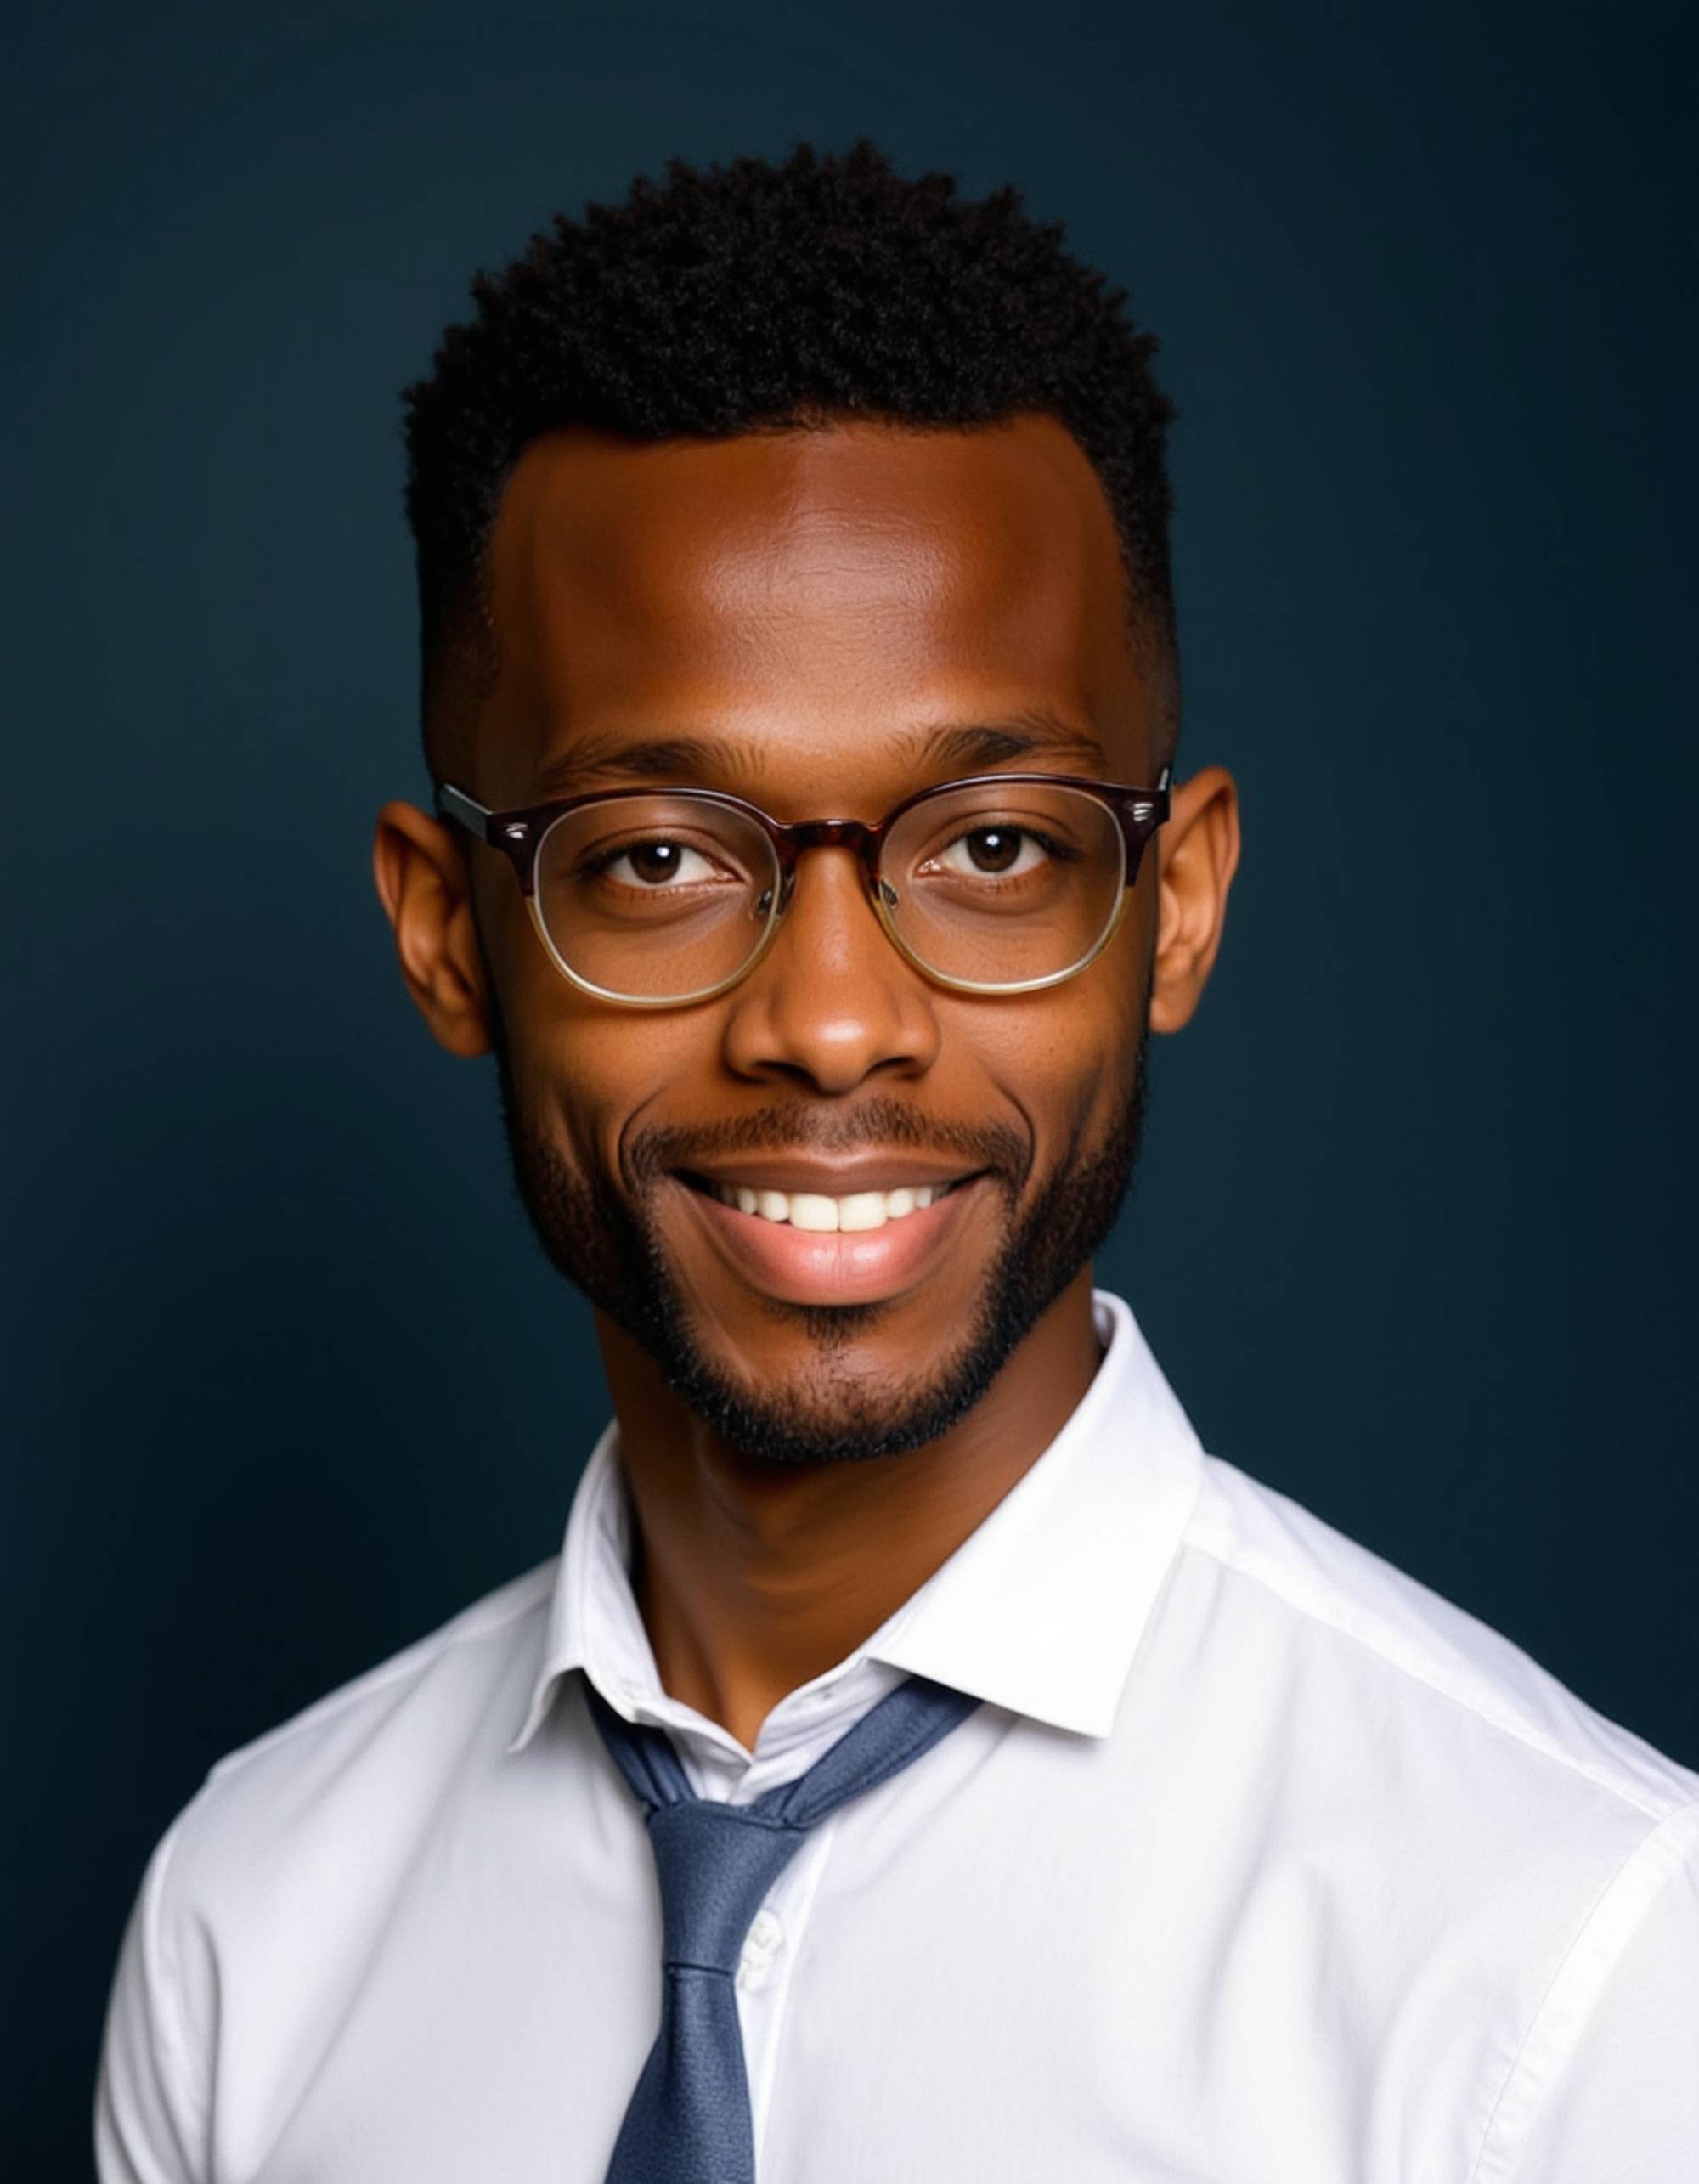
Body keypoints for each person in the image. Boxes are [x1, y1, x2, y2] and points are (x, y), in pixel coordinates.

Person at [96, 141, 1698, 2184]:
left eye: (997, 844)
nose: (834, 1017)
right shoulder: (252, 1920)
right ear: (443, 933)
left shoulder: (1569, 1969)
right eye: (660, 856)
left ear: (1177, 905)